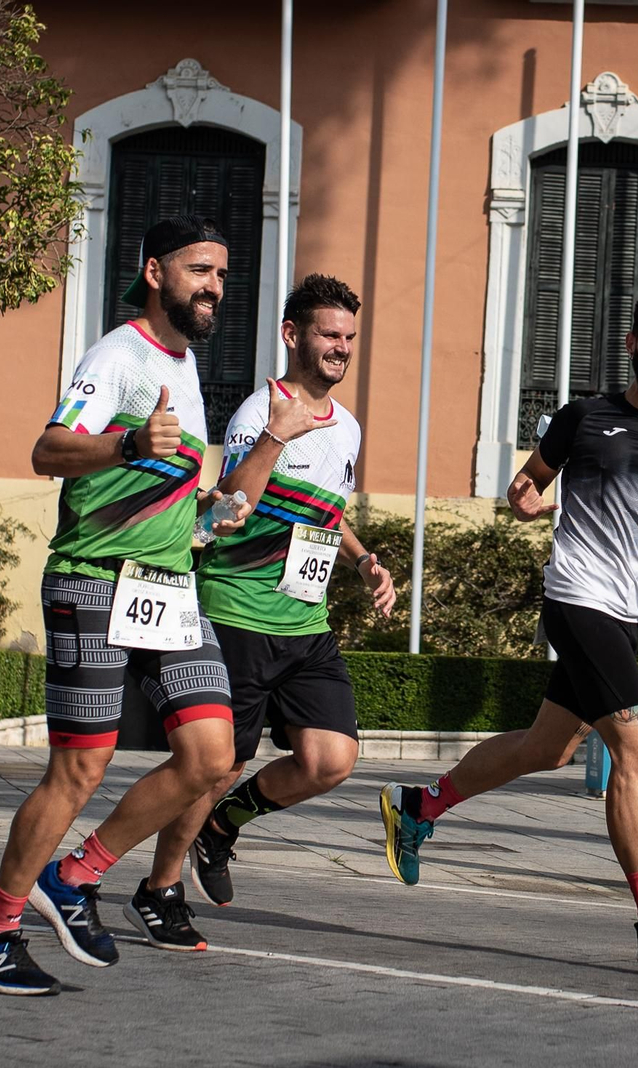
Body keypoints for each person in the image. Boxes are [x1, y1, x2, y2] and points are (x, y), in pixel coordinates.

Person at [378, 290, 638, 965]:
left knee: (547, 749)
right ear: (632, 344)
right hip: (577, 597)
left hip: (627, 612)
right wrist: (525, 500)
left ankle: (419, 806)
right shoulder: (584, 418)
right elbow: (525, 486)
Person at [0, 215, 250, 996]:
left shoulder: (183, 365)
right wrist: (128, 445)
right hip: (94, 580)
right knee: (80, 767)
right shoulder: (118, 355)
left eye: (222, 274)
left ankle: (75, 876)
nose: (215, 286)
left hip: (167, 586)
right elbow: (48, 451)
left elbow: (157, 479)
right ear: (154, 273)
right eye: (199, 270)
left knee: (211, 756)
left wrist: (210, 509)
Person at [132, 274, 395, 949]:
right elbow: (228, 508)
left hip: (305, 622)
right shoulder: (259, 411)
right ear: (292, 335)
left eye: (349, 337)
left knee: (331, 759)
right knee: (216, 766)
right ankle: (160, 886)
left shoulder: (348, 428)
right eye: (328, 334)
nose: (341, 348)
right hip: (239, 615)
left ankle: (223, 826)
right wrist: (276, 437)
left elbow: (324, 513)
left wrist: (363, 560)